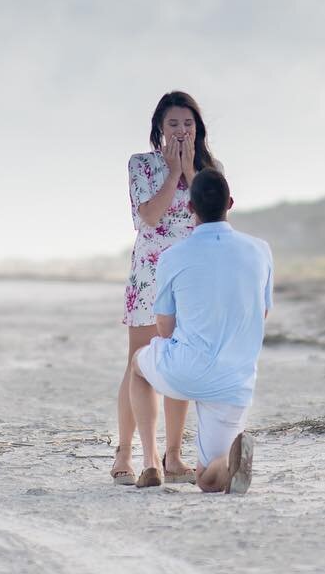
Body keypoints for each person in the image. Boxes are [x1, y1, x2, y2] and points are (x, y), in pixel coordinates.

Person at [129, 168, 272, 493]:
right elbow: (261, 314)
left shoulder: (173, 256)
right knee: (207, 479)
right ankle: (222, 465)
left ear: (190, 208)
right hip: (234, 380)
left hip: (185, 369)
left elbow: (164, 327)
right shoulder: (261, 250)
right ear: (230, 203)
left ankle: (152, 461)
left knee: (137, 365)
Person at [112, 90, 220, 486]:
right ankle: (131, 452)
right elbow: (149, 217)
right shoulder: (141, 165)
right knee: (139, 359)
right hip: (150, 270)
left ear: (198, 128)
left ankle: (174, 455)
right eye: (173, 123)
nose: (180, 131)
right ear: (159, 127)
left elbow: (211, 220)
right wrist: (173, 173)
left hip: (192, 273)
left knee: (180, 360)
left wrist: (192, 171)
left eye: (188, 124)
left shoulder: (212, 169)